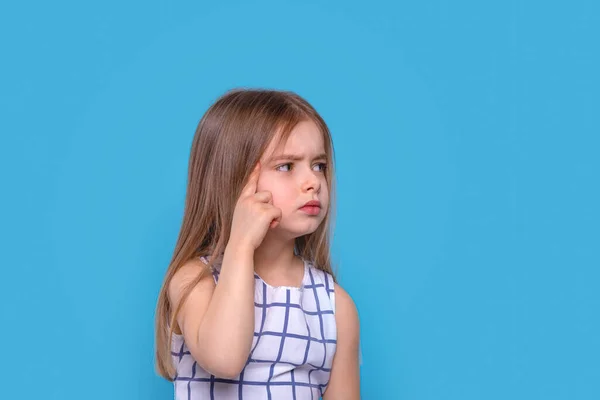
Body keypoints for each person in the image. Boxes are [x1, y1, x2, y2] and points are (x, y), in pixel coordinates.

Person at [154, 88, 360, 399]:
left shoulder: (335, 306)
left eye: (319, 165)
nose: (313, 182)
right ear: (235, 179)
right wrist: (240, 244)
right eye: (287, 166)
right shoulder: (194, 281)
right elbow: (224, 359)